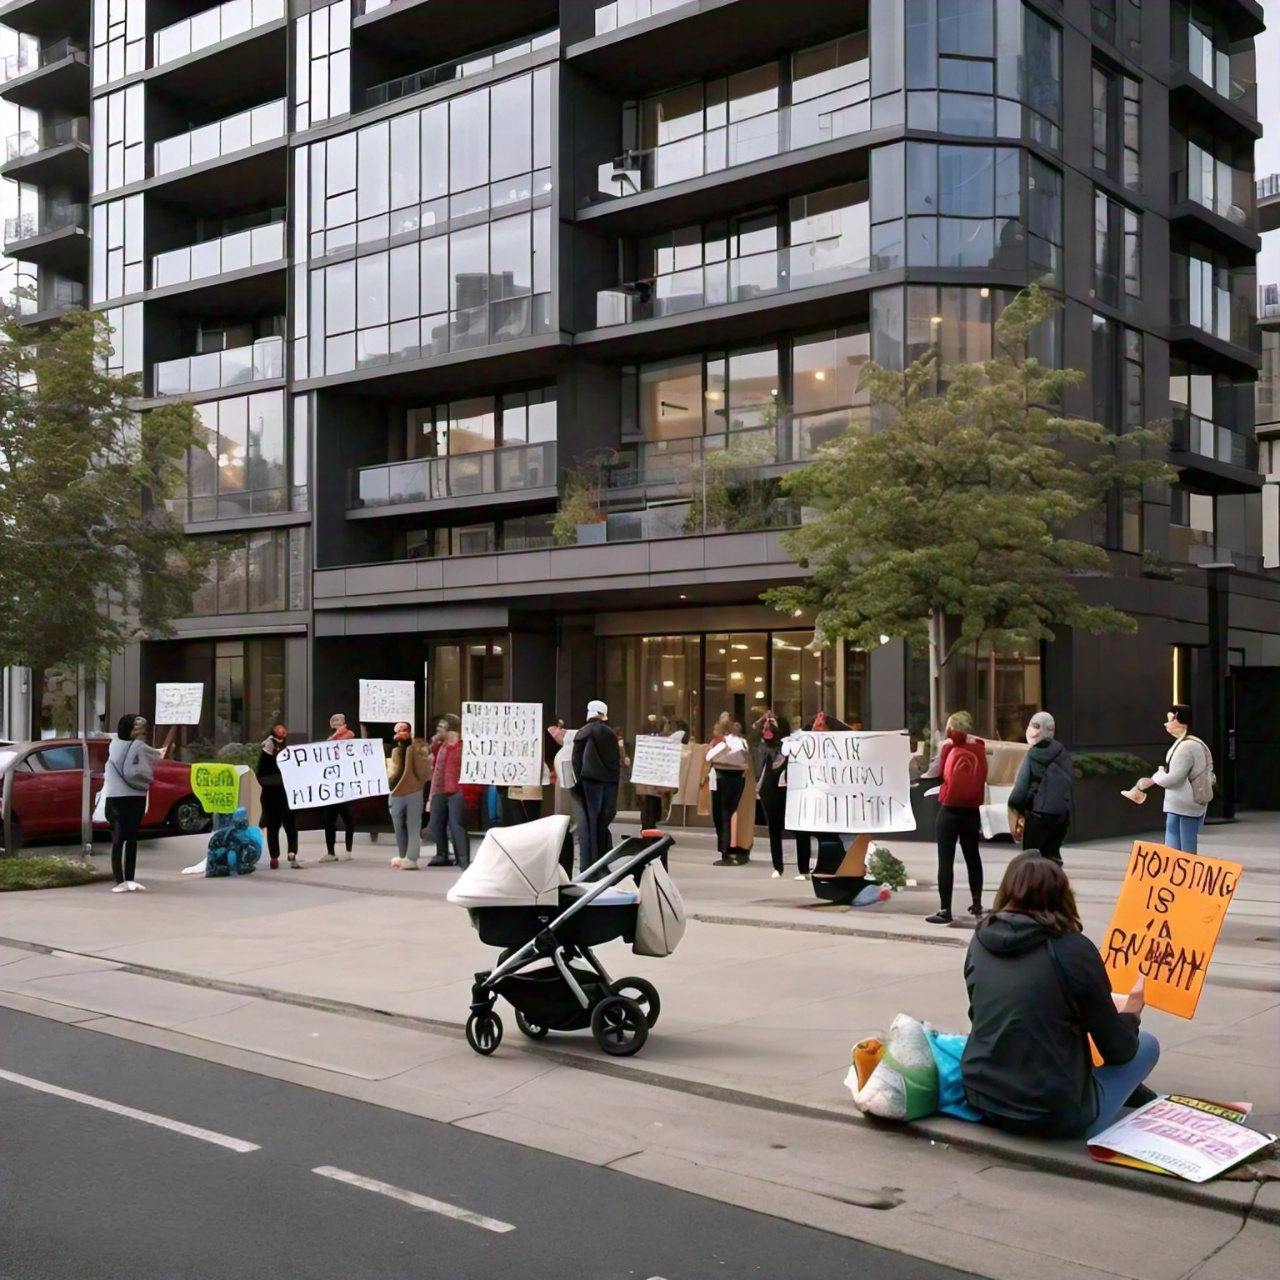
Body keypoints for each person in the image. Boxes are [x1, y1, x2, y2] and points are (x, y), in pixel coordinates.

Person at [961, 853, 1159, 1140]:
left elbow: (983, 1013)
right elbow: (1118, 1050)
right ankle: (1114, 1095)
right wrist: (1131, 1013)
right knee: (1147, 1046)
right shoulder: (1074, 949)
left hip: (982, 1097)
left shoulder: (980, 939)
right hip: (1052, 1115)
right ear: (1063, 896)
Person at [923, 711, 988, 924]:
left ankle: (945, 909)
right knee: (972, 857)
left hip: (950, 810)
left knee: (945, 860)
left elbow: (938, 772)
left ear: (952, 728)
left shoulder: (949, 748)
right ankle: (977, 902)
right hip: (971, 811)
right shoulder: (979, 748)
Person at [1135, 705, 1213, 853]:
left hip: (1185, 802)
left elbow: (1173, 778)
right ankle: (1179, 873)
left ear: (1180, 721)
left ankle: (1184, 874)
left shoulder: (1187, 746)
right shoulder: (1190, 744)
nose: (1167, 724)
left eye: (1170, 720)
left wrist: (1157, 775)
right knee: (1178, 843)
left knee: (1182, 846)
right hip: (1181, 802)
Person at [102, 713, 162, 892]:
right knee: (119, 837)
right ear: (128, 729)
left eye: (143, 728)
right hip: (118, 798)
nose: (142, 732)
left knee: (132, 837)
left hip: (135, 796)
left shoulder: (138, 747)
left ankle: (130, 878)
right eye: (137, 728)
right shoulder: (118, 747)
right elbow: (128, 768)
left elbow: (156, 755)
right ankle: (120, 880)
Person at [1008, 711, 1073, 866]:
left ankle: (1034, 889)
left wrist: (1015, 807)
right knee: (1052, 857)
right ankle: (1055, 887)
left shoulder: (1033, 754)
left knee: (1030, 860)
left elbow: (1021, 789)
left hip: (1039, 813)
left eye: (1036, 726)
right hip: (1061, 814)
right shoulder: (1063, 753)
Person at [572, 700, 621, 876]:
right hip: (609, 784)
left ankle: (588, 866)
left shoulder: (583, 733)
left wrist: (576, 783)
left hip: (588, 784)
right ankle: (602, 863)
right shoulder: (610, 734)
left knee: (587, 826)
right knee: (602, 825)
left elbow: (576, 762)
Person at [424, 714, 468, 868]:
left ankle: (463, 857)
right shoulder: (439, 746)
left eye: (441, 726)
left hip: (457, 789)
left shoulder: (463, 746)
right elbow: (434, 768)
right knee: (436, 823)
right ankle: (441, 854)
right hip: (439, 789)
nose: (438, 729)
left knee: (456, 824)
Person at [386, 721, 431, 868]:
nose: (399, 734)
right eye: (397, 731)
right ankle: (403, 855)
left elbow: (423, 771)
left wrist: (418, 783)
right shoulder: (396, 751)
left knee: (413, 825)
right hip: (397, 791)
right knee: (398, 824)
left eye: (402, 730)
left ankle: (411, 858)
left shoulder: (415, 749)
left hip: (413, 790)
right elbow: (394, 770)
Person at [706, 720, 751, 865]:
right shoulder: (743, 742)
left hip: (722, 778)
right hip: (738, 779)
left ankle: (725, 849)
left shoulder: (722, 742)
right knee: (730, 813)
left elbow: (708, 757)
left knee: (722, 815)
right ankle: (729, 847)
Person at [754, 711, 793, 878]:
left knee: (793, 828)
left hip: (786, 788)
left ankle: (803, 868)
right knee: (773, 829)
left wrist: (776, 725)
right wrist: (763, 720)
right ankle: (777, 866)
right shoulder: (762, 746)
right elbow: (753, 733)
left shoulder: (785, 746)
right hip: (767, 788)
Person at [256, 723, 298, 869]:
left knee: (290, 825)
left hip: (287, 794)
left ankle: (292, 853)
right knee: (273, 827)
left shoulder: (289, 748)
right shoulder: (267, 749)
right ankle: (274, 856)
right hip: (272, 795)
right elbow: (260, 774)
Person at [320, 713, 356, 862]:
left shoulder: (348, 736)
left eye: (339, 722)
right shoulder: (330, 738)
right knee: (330, 820)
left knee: (347, 817)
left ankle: (348, 850)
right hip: (331, 783)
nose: (337, 725)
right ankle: (331, 851)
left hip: (344, 782)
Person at [205, 807, 263, 876]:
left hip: (237, 853)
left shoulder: (248, 835)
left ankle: (235, 864)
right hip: (227, 854)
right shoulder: (222, 836)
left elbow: (254, 851)